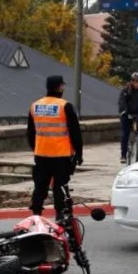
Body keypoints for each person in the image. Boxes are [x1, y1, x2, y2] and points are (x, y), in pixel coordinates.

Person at [27, 75, 83, 217]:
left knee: (40, 186)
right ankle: (60, 214)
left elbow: (30, 133)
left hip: (41, 154)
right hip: (61, 155)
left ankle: (36, 214)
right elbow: (75, 133)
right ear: (60, 87)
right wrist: (79, 153)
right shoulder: (65, 106)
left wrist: (36, 148)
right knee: (60, 186)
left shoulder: (35, 106)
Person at [119, 72, 138, 163]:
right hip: (127, 114)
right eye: (136, 82)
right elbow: (122, 102)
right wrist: (123, 111)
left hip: (137, 114)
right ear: (132, 82)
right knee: (125, 134)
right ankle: (123, 155)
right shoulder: (126, 91)